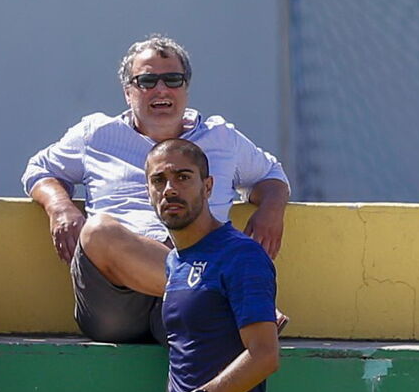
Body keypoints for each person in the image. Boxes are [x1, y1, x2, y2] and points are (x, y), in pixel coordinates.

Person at [22, 34, 289, 343]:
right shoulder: (96, 134)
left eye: (172, 79)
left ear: (186, 89)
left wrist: (271, 210)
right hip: (115, 301)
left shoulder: (221, 138)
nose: (161, 89)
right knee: (98, 232)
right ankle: (226, 296)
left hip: (187, 302)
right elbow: (38, 169)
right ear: (128, 92)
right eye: (147, 81)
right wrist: (60, 207)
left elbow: (270, 175)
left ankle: (210, 294)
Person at [137, 138, 280, 392]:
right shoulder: (174, 260)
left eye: (183, 177)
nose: (170, 188)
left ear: (208, 186)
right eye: (159, 180)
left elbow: (265, 355)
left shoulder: (241, 255)